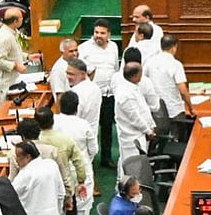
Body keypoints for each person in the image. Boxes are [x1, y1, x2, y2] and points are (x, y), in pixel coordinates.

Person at [35, 108, 89, 215]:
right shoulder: (65, 139)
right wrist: (81, 181)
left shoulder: (34, 143)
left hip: (44, 190)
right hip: (66, 187)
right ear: (53, 120)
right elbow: (79, 162)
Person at [54, 90, 101, 215]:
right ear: (77, 107)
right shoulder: (83, 125)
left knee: (61, 207)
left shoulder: (53, 122)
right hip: (81, 170)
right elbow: (94, 149)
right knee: (81, 208)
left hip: (59, 170)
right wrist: (86, 160)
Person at [78, 18, 120, 168]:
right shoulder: (84, 48)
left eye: (102, 33)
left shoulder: (114, 47)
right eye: (96, 32)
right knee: (91, 128)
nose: (98, 36)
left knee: (107, 127)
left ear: (109, 34)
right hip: (92, 96)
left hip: (109, 94)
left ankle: (106, 157)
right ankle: (90, 160)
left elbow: (115, 68)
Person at [0, 8, 40, 115]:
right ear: (15, 21)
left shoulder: (10, 32)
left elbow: (13, 53)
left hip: (10, 80)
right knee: (1, 113)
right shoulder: (5, 37)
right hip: (1, 82)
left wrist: (28, 57)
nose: (23, 20)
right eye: (21, 18)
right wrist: (15, 65)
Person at [114, 62, 157, 171]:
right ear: (136, 75)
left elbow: (143, 110)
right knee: (132, 168)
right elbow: (135, 118)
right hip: (132, 138)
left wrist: (151, 126)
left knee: (137, 167)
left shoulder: (132, 88)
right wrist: (148, 131)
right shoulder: (125, 94)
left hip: (139, 135)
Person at [146, 34, 195, 119]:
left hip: (156, 110)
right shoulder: (176, 64)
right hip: (174, 110)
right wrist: (191, 108)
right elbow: (183, 90)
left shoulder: (149, 62)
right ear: (174, 47)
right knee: (178, 132)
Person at [65, 58, 103, 138]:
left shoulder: (75, 93)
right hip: (92, 134)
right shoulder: (96, 88)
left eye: (71, 74)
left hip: (77, 136)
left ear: (83, 74)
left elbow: (73, 119)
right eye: (67, 73)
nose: (68, 77)